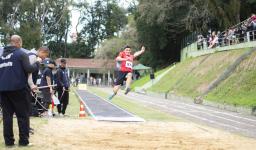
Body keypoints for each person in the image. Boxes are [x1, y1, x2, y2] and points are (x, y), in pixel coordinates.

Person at [0, 35, 41, 147]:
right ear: (18, 42)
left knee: (7, 116)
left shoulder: (1, 56)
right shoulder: (21, 54)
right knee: (22, 116)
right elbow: (29, 69)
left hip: (3, 90)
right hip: (18, 89)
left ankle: (9, 142)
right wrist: (37, 63)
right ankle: (23, 141)